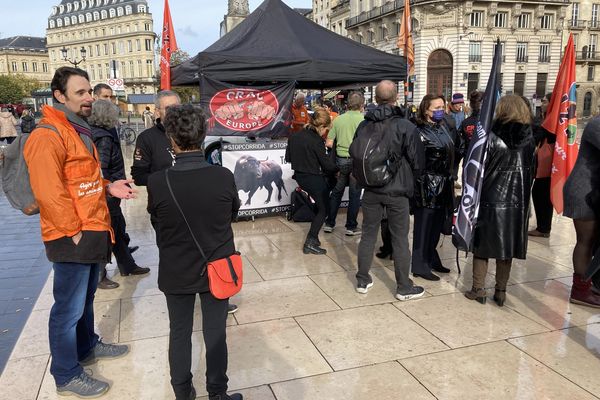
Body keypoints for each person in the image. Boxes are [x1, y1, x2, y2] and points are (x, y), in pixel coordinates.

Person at [23, 66, 134, 397]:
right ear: (59, 96)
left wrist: (108, 187)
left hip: (91, 227)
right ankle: (66, 373)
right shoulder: (47, 135)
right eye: (80, 93)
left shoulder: (75, 129)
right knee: (67, 309)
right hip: (71, 234)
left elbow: (81, 179)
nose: (88, 98)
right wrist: (73, 232)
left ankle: (87, 347)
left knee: (84, 300)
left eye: (89, 91)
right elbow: (48, 191)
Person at [147, 105, 243, 400]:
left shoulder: (157, 181)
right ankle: (218, 393)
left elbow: (157, 223)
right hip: (217, 264)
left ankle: (182, 394)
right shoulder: (223, 176)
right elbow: (232, 214)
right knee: (215, 332)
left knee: (179, 333)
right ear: (203, 136)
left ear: (171, 140)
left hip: (176, 267)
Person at [355, 80, 425, 300]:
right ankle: (404, 287)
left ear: (375, 98)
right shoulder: (405, 126)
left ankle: (362, 280)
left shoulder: (364, 124)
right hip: (397, 190)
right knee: (400, 239)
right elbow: (417, 161)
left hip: (371, 190)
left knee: (368, 234)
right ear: (396, 98)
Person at [464, 95, 536, 306]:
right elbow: (533, 171)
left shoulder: (489, 136)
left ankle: (478, 289)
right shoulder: (530, 140)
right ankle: (501, 291)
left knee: (482, 247)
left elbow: (476, 168)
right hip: (517, 202)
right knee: (507, 248)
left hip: (490, 199)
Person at [89, 100, 150, 283]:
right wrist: (111, 187)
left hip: (110, 189)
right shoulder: (104, 137)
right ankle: (100, 275)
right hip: (109, 191)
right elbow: (101, 167)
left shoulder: (100, 133)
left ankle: (127, 265)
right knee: (109, 231)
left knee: (117, 228)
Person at [411, 94, 460, 281]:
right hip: (427, 185)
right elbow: (416, 161)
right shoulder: (419, 131)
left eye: (442, 107)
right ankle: (419, 265)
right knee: (423, 227)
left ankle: (431, 258)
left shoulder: (443, 127)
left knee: (436, 226)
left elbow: (454, 149)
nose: (440, 111)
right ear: (426, 110)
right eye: (436, 108)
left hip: (444, 184)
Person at [285, 108, 339, 255]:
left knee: (321, 206)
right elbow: (327, 166)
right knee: (324, 210)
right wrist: (339, 169)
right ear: (321, 126)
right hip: (313, 178)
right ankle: (310, 241)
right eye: (326, 129)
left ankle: (313, 236)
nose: (326, 132)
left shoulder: (294, 136)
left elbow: (289, 158)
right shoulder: (316, 141)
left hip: (300, 177)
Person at [563, 117, 600, 307]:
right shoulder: (597, 124)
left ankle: (592, 284)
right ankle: (580, 290)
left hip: (593, 190)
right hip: (583, 191)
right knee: (586, 240)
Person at [324, 91, 364, 236]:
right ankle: (351, 226)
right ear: (361, 104)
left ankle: (329, 223)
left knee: (336, 192)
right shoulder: (364, 120)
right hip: (357, 162)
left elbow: (329, 143)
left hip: (340, 160)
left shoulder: (338, 119)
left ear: (348, 104)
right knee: (354, 194)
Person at [529, 93, 555, 238]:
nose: (542, 103)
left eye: (544, 101)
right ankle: (543, 226)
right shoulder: (546, 118)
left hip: (547, 161)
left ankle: (543, 228)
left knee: (541, 192)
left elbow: (538, 136)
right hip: (544, 160)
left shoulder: (551, 120)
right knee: (540, 192)